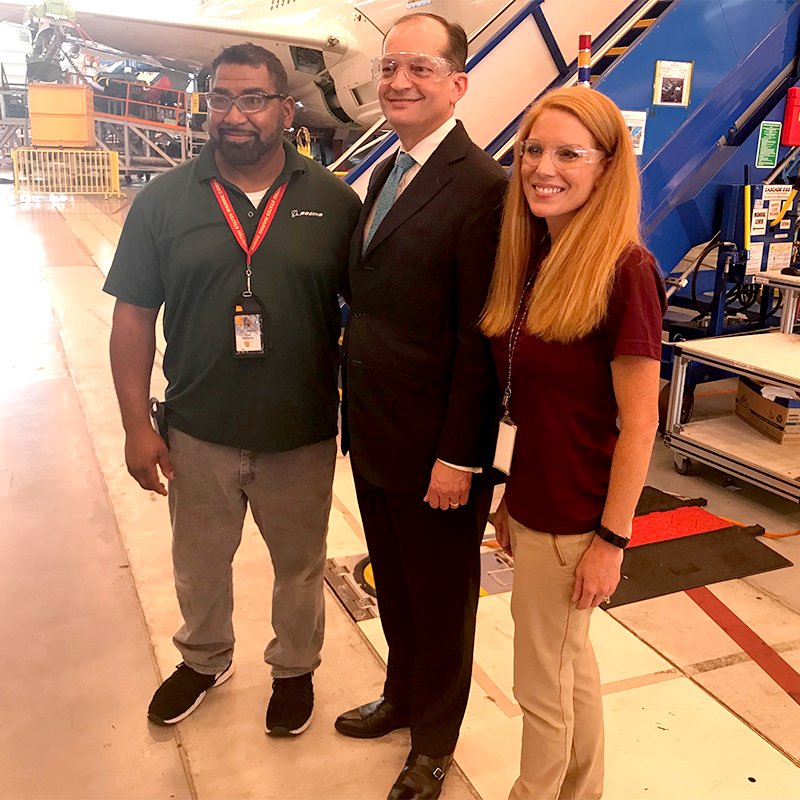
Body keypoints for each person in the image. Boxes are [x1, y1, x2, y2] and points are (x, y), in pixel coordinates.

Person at [103, 43, 360, 737]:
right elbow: (132, 316)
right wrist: (135, 425)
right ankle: (205, 657)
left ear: (286, 108)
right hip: (196, 428)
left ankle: (294, 668)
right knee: (198, 563)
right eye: (220, 99)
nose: (234, 115)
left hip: (299, 432)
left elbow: (372, 318)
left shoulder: (333, 203)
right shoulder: (162, 201)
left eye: (251, 99)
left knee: (299, 568)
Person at [336, 13, 507, 800]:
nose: (399, 81)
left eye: (422, 69)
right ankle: (402, 698)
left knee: (442, 602)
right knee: (396, 586)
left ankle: (434, 741)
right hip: (376, 432)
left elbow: (482, 338)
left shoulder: (484, 188)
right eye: (389, 66)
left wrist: (461, 457)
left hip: (438, 448)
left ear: (457, 84)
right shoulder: (389, 169)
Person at [483, 86, 666, 799]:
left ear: (605, 166)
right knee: (568, 667)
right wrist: (507, 496)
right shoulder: (538, 255)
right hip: (532, 501)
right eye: (533, 149)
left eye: (568, 153)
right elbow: (523, 404)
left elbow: (640, 423)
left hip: (575, 517)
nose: (543, 167)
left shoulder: (626, 272)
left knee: (542, 686)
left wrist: (611, 542)